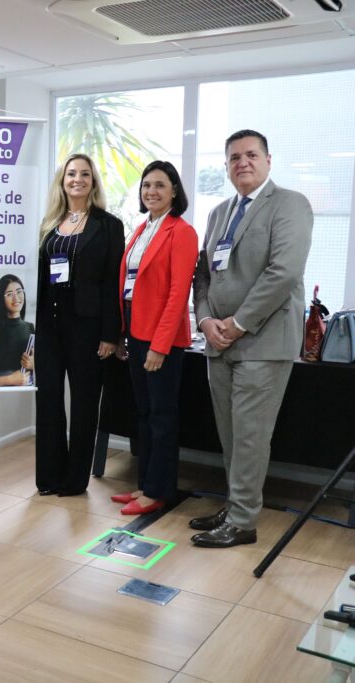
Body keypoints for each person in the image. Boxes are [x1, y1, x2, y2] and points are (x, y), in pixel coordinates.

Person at [191, 130, 313, 547]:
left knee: (249, 436)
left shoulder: (289, 204)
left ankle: (243, 521)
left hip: (263, 341)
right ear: (225, 166)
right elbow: (203, 275)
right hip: (218, 341)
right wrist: (206, 321)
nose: (242, 162)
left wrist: (239, 323)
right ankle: (235, 505)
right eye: (234, 157)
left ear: (268, 160)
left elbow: (284, 272)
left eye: (251, 155)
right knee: (229, 434)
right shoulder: (219, 212)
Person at [34, 154, 124, 497]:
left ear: (93, 181)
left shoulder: (108, 225)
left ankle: (74, 480)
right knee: (49, 402)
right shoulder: (48, 223)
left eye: (85, 174)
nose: (77, 179)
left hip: (88, 329)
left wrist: (109, 335)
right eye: (71, 174)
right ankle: (49, 477)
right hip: (49, 327)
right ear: (62, 180)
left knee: (85, 404)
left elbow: (112, 284)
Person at [111, 161, 198, 515]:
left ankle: (159, 491)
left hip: (160, 334)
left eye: (160, 185)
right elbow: (128, 286)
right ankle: (145, 483)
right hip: (135, 327)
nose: (152, 191)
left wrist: (160, 345)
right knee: (143, 412)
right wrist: (121, 334)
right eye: (147, 185)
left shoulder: (182, 232)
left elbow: (178, 294)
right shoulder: (140, 229)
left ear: (174, 190)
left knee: (161, 415)